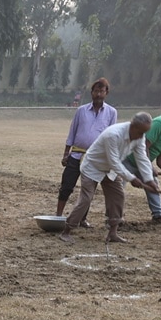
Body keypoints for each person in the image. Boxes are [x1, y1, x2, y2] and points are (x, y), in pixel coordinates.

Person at [59, 112, 159, 247]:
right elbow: (114, 162)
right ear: (133, 126)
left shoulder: (139, 136)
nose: (142, 136)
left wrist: (148, 179)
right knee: (86, 199)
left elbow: (142, 158)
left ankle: (113, 232)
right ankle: (67, 230)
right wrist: (131, 178)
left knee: (118, 196)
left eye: (144, 133)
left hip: (111, 171)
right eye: (141, 132)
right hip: (93, 167)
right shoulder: (113, 134)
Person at [57, 78, 117, 217]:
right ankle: (58, 215)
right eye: (96, 91)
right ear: (91, 92)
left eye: (101, 91)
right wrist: (66, 154)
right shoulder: (81, 110)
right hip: (76, 155)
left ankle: (82, 219)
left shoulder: (111, 113)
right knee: (66, 186)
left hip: (94, 158)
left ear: (106, 93)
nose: (98, 94)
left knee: (88, 190)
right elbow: (72, 132)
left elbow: (111, 136)